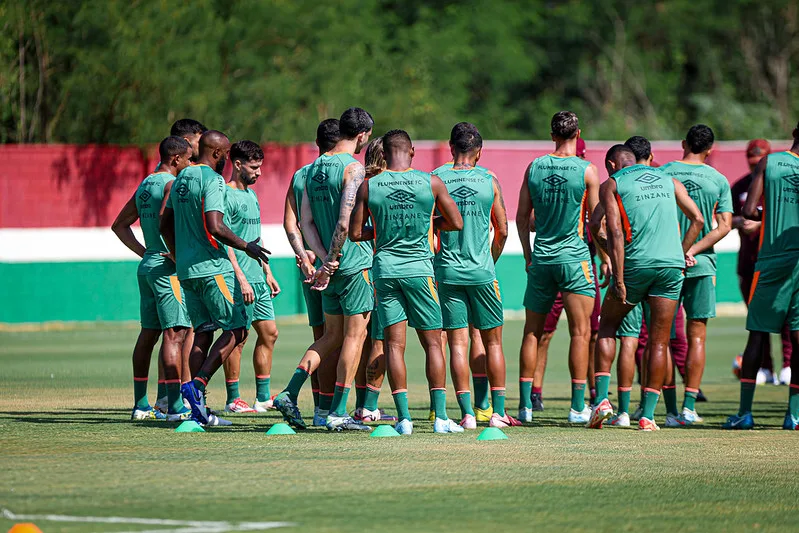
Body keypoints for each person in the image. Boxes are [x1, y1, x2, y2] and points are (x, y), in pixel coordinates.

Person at [350, 129, 464, 435]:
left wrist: (384, 230)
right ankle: (440, 418)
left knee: (394, 346)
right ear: (412, 151)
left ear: (384, 154)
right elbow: (456, 222)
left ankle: (403, 420)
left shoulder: (369, 185)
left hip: (385, 272)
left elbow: (356, 233)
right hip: (420, 272)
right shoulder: (432, 182)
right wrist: (428, 222)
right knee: (432, 343)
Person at [587, 145, 703, 431]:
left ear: (612, 164)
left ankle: (602, 401)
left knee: (607, 327)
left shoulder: (612, 183)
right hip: (671, 267)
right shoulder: (667, 178)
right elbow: (698, 219)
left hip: (636, 265)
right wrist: (681, 251)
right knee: (659, 341)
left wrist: (619, 276)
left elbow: (608, 229)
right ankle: (648, 417)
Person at [273, 107, 374, 431]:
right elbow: (345, 222)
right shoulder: (353, 169)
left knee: (330, 336)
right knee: (354, 337)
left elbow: (305, 222)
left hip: (328, 268)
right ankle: (338, 412)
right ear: (361, 135)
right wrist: (333, 258)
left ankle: (290, 391)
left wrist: (320, 259)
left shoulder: (313, 169)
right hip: (353, 264)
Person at [160, 130, 270, 426]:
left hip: (186, 271)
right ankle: (197, 386)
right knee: (238, 330)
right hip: (212, 268)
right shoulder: (213, 180)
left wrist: (176, 253)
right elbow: (216, 225)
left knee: (204, 332)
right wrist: (248, 246)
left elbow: (164, 222)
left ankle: (195, 408)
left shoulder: (181, 178)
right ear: (220, 155)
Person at [433, 122, 520, 429]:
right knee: (492, 343)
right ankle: (496, 413)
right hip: (482, 271)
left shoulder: (435, 180)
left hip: (447, 272)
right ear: (479, 152)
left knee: (456, 344)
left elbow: (429, 229)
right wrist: (488, 261)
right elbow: (503, 230)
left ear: (450, 147)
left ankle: (467, 414)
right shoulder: (489, 180)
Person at [516, 111, 600, 424]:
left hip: (542, 258)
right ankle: (578, 408)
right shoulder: (587, 170)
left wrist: (528, 254)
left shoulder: (535, 167)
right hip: (575, 259)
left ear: (552, 135)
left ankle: (525, 408)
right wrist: (604, 257)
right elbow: (597, 223)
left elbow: (523, 217)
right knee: (580, 333)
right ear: (578, 134)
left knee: (532, 333)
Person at [112, 136, 194, 421]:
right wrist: (171, 251)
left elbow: (119, 225)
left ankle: (140, 405)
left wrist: (146, 252)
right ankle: (174, 407)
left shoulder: (146, 184)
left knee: (149, 334)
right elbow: (165, 221)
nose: (190, 164)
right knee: (176, 334)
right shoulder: (171, 184)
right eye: (188, 159)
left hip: (147, 268)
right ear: (175, 159)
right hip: (167, 271)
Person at [723, 123, 799, 430]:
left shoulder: (772, 162)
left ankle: (745, 412)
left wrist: (769, 214)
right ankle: (793, 415)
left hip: (773, 258)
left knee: (757, 332)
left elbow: (751, 209)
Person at [660, 125, 732, 425]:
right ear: (710, 150)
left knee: (660, 339)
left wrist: (678, 252)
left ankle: (669, 409)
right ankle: (690, 406)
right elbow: (725, 225)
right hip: (701, 264)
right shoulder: (718, 179)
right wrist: (693, 250)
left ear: (683, 143)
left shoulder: (662, 172)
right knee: (697, 337)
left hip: (666, 264)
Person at [283, 119, 342, 425]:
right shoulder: (348, 168)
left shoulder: (301, 174)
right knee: (339, 339)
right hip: (340, 264)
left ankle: (321, 409)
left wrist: (304, 256)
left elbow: (290, 223)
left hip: (311, 268)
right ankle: (334, 410)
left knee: (322, 337)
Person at [219, 141, 281, 414]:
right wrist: (240, 277)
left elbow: (256, 239)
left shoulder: (252, 195)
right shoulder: (225, 195)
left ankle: (263, 397)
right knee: (238, 336)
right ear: (238, 164)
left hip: (258, 275)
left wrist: (267, 270)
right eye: (254, 167)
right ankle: (233, 398)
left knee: (270, 333)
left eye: (260, 167)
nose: (259, 173)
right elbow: (224, 241)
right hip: (238, 278)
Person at [731, 139, 793, 386]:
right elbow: (725, 216)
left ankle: (789, 364)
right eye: (751, 161)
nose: (755, 165)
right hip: (749, 262)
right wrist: (740, 223)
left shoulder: (782, 182)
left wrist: (761, 223)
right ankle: (766, 368)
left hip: (778, 258)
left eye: (760, 161)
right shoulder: (739, 186)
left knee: (788, 315)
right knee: (757, 319)